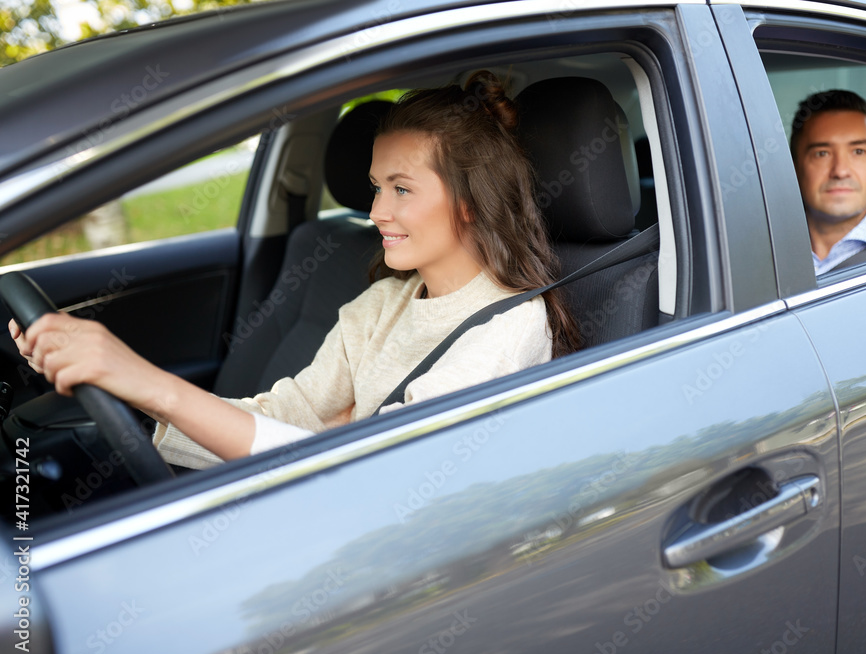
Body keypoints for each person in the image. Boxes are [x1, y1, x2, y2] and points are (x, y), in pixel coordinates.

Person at [9, 71, 579, 470]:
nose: (377, 211)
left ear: (471, 201)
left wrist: (144, 379)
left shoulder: (509, 328)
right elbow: (287, 419)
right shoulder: (383, 303)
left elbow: (377, 478)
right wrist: (121, 385)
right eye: (378, 186)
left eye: (402, 189)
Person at [790, 89, 866, 275]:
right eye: (822, 154)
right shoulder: (750, 254)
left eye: (858, 152)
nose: (840, 171)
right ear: (793, 167)